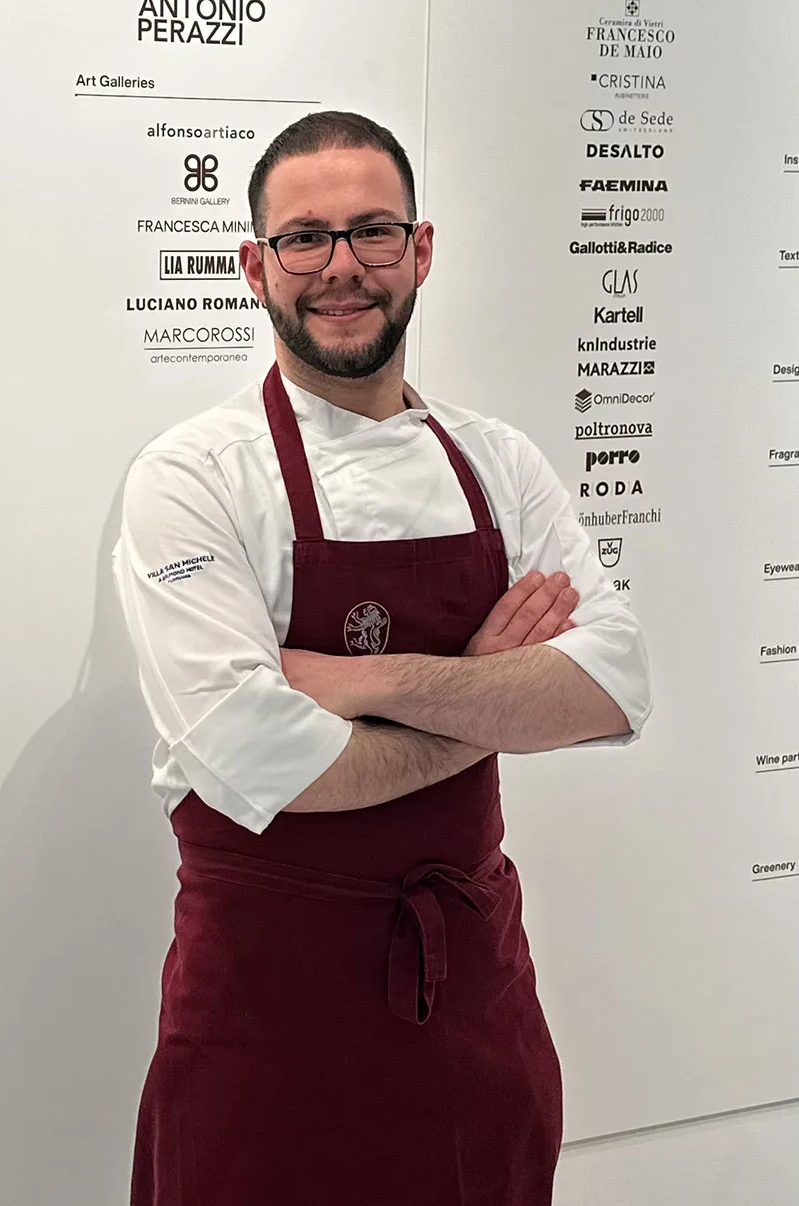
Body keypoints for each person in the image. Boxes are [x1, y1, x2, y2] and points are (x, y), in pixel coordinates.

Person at [113, 110, 653, 1206]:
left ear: (422, 250)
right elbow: (265, 759)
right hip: (265, 1019)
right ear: (255, 267)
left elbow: (613, 688)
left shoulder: (500, 462)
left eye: (373, 231)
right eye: (304, 238)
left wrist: (361, 679)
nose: (342, 266)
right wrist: (488, 694)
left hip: (473, 1007)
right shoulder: (193, 478)